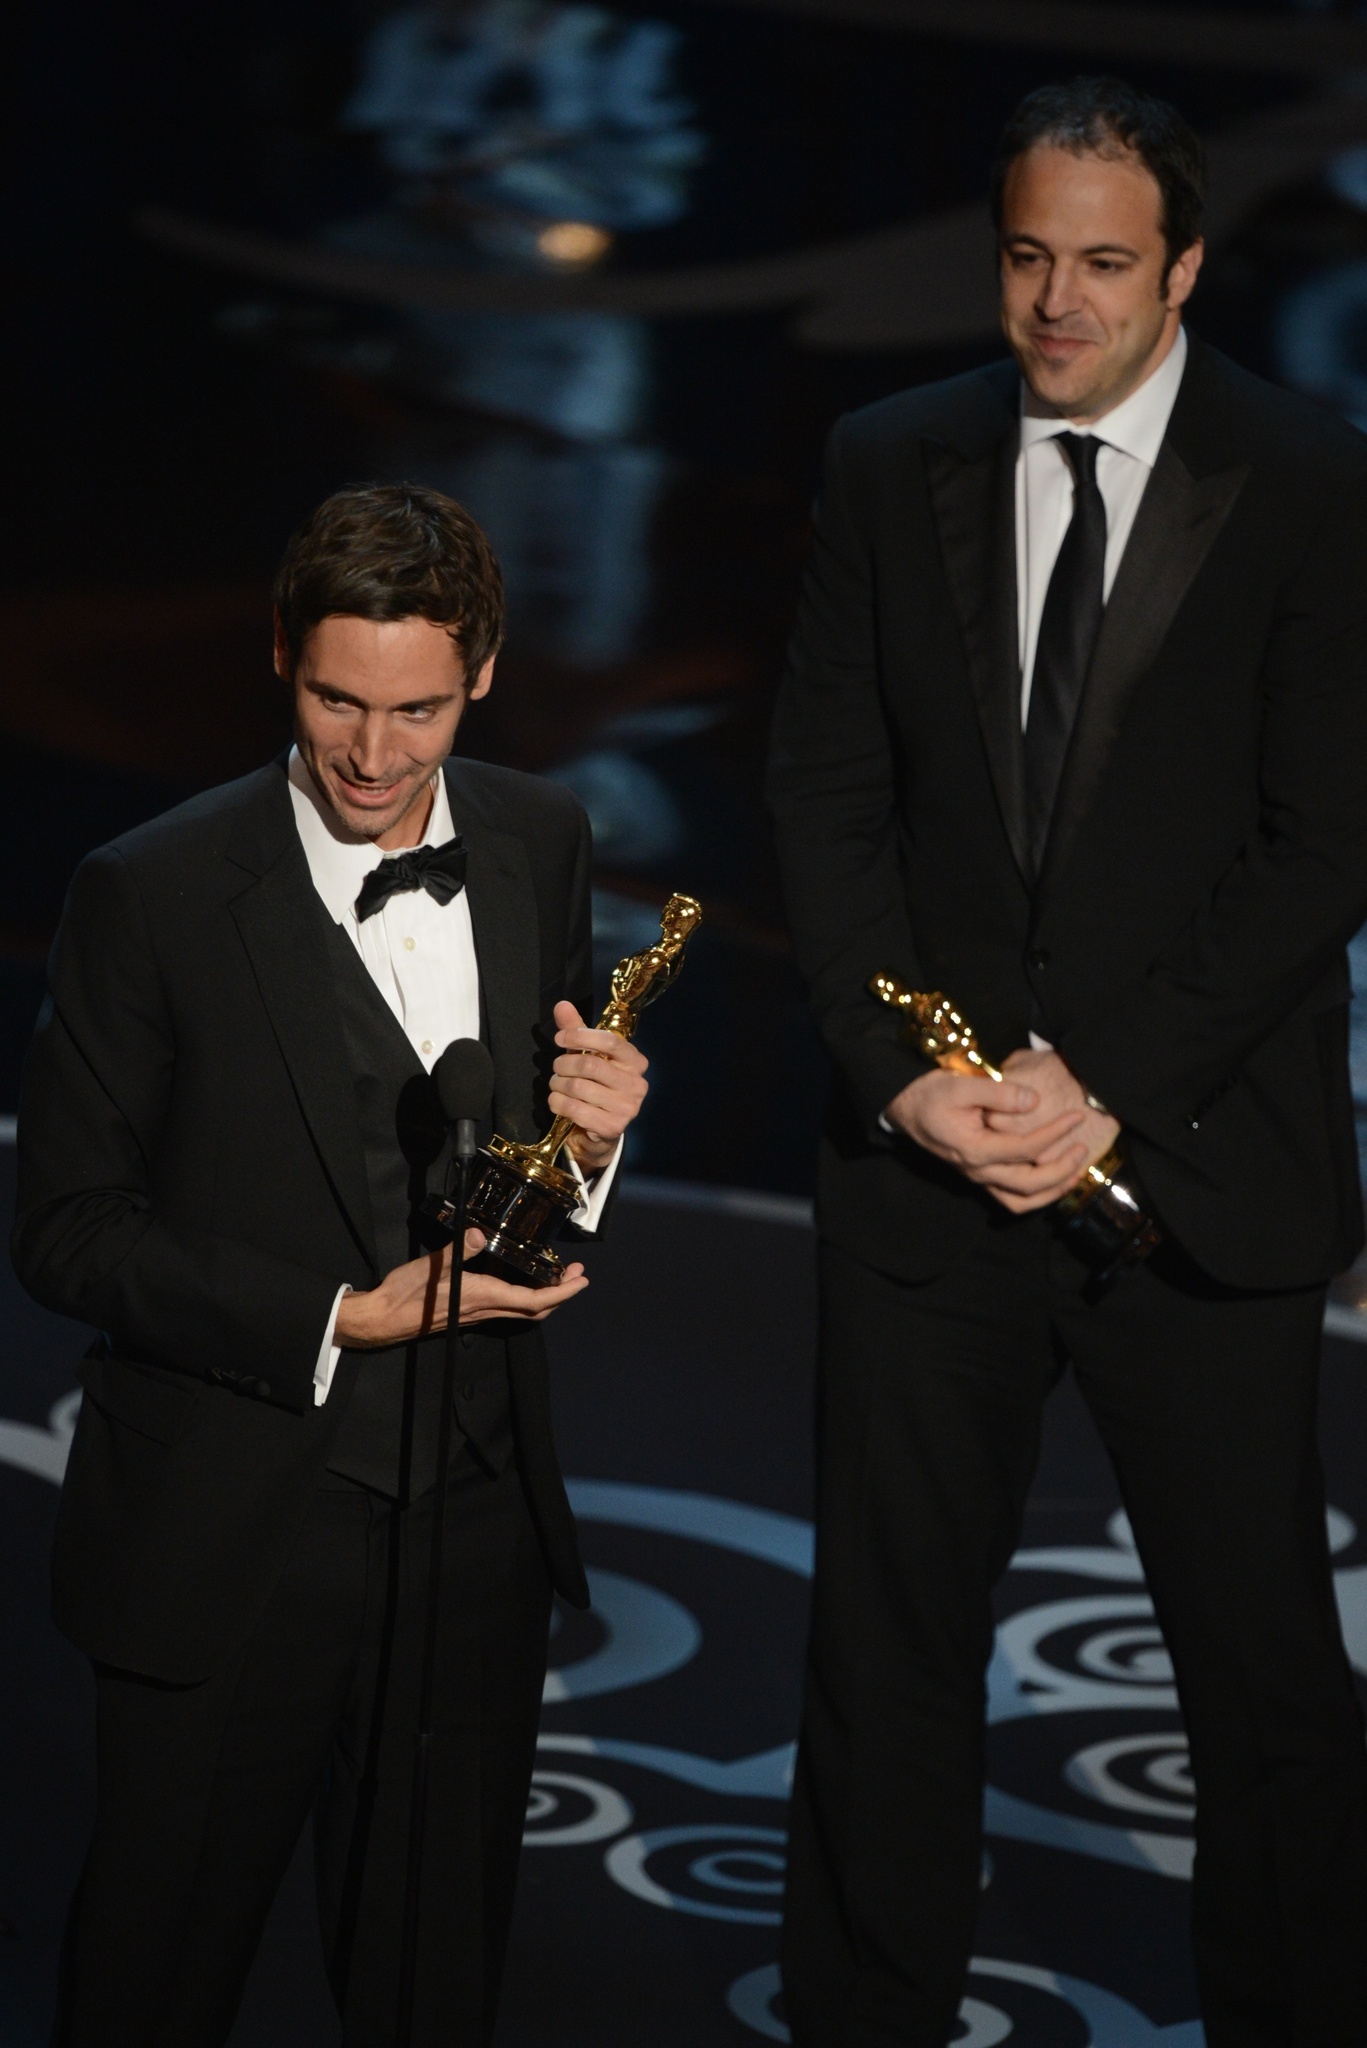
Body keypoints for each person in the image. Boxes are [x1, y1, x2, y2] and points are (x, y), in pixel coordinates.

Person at [767, 75, 1367, 2046]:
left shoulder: (1310, 479)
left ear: (1185, 267)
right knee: (884, 1653)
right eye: (1028, 255)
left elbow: (1323, 841)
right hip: (932, 1167)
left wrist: (1095, 1075)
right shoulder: (887, 459)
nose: (1058, 302)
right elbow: (827, 799)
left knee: (1265, 1679)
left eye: (1104, 264)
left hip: (1189, 1167)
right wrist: (903, 1073)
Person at [12, 482, 650, 2046]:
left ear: (484, 674)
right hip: (227, 1534)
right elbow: (67, 1229)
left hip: (472, 1530)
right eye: (335, 701)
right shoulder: (149, 893)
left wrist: (592, 1141)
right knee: (157, 1982)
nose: (372, 755)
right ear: (282, 658)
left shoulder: (544, 842)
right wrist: (344, 1317)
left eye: (418, 709)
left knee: (432, 1988)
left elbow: (530, 1178)